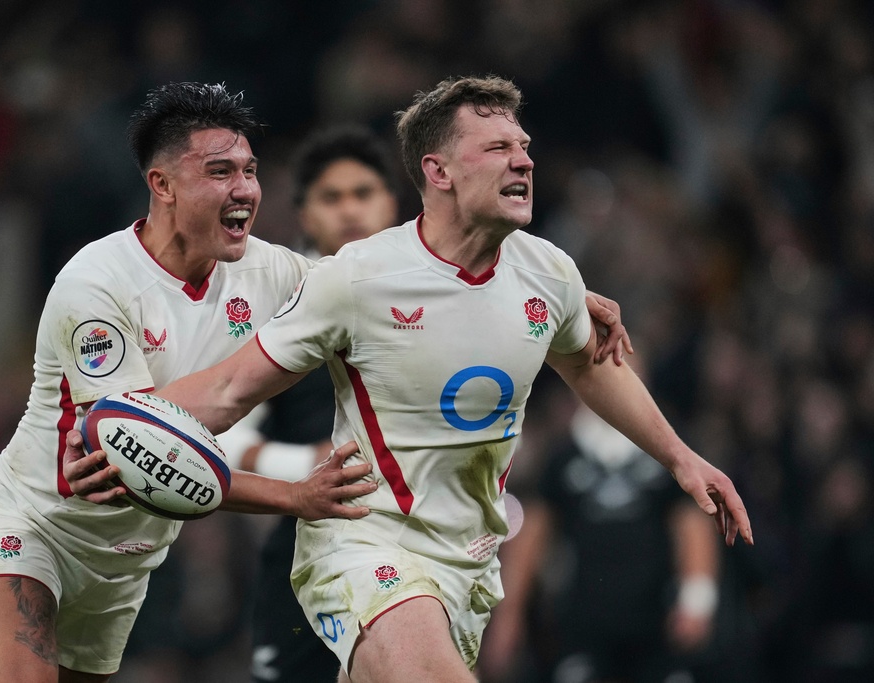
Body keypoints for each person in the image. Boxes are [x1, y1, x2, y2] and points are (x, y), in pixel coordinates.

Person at [65, 75, 753, 683]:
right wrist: (108, 425)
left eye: (524, 144)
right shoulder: (359, 278)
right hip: (366, 545)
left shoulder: (549, 272)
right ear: (440, 170)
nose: (524, 158)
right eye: (498, 148)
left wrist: (682, 458)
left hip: (467, 564)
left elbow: (588, 366)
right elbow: (226, 390)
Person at [0, 82, 380, 683]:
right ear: (163, 185)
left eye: (250, 171)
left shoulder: (269, 270)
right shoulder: (97, 282)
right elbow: (139, 452)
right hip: (31, 523)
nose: (245, 190)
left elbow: (364, 302)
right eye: (220, 171)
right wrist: (293, 496)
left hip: (126, 563)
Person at [241, 125, 402, 683]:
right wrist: (313, 465)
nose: (350, 210)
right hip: (304, 538)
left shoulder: (434, 296)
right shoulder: (273, 305)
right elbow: (221, 437)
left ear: (392, 203)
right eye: (331, 198)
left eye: (364, 193)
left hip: (416, 540)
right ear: (304, 214)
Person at [478, 397, 725, 683]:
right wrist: (509, 616)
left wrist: (697, 599)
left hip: (656, 628)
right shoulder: (565, 454)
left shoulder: (667, 452)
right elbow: (532, 535)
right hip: (582, 626)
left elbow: (691, 523)